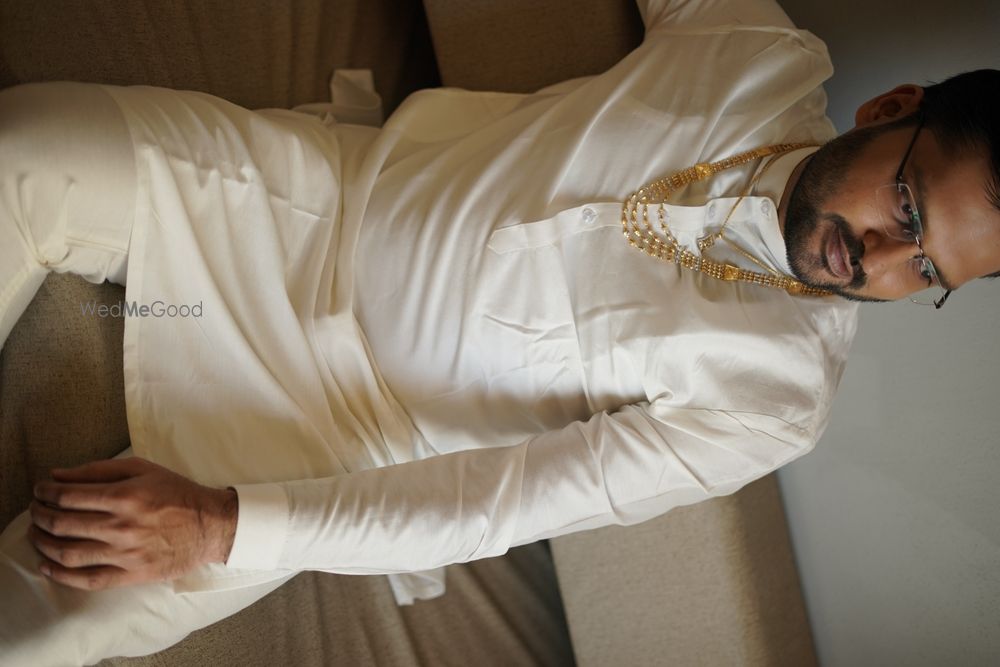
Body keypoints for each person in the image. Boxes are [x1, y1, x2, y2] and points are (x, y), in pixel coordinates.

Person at [2, 0, 999, 662]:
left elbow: (496, 503)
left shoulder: (776, 400)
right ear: (890, 108)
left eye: (926, 272)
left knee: (47, 624)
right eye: (907, 208)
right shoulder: (760, 56)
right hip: (293, 204)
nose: (877, 258)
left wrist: (219, 526)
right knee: (23, 152)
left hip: (341, 443)